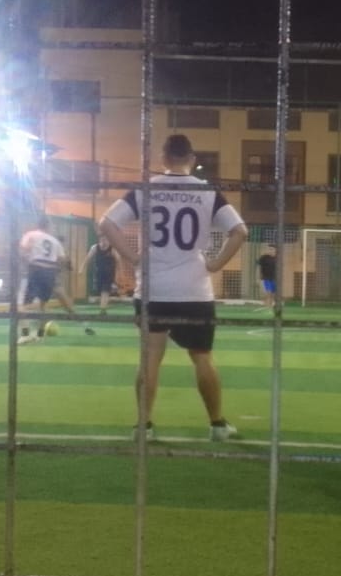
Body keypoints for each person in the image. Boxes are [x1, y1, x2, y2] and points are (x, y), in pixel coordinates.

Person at [99, 134, 249, 441]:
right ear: (191, 159)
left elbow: (107, 224)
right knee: (202, 357)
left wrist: (132, 257)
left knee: (151, 357)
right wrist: (216, 264)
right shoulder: (207, 191)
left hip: (154, 289)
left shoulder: (146, 189)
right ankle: (217, 425)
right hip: (194, 290)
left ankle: (144, 427)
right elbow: (239, 231)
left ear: (163, 159)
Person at [16, 216, 82, 344]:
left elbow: (23, 250)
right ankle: (40, 335)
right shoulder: (54, 241)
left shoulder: (31, 235)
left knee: (21, 305)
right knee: (43, 305)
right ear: (48, 226)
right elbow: (62, 260)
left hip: (35, 268)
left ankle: (25, 334)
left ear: (38, 224)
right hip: (50, 272)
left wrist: (25, 261)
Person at [80, 236, 119, 315]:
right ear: (99, 240)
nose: (104, 242)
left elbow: (118, 260)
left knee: (105, 291)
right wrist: (81, 268)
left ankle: (103, 309)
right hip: (99, 273)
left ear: (108, 240)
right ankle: (103, 305)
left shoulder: (112, 249)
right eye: (102, 240)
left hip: (109, 274)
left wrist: (119, 273)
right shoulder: (95, 248)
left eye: (106, 240)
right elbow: (88, 259)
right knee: (100, 290)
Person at [256, 242, 278, 311]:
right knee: (268, 293)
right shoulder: (264, 257)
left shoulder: (277, 258)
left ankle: (270, 307)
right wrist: (258, 278)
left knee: (273, 294)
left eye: (272, 249)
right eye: (269, 249)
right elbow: (258, 267)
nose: (270, 250)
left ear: (275, 250)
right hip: (266, 278)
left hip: (274, 279)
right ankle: (267, 307)